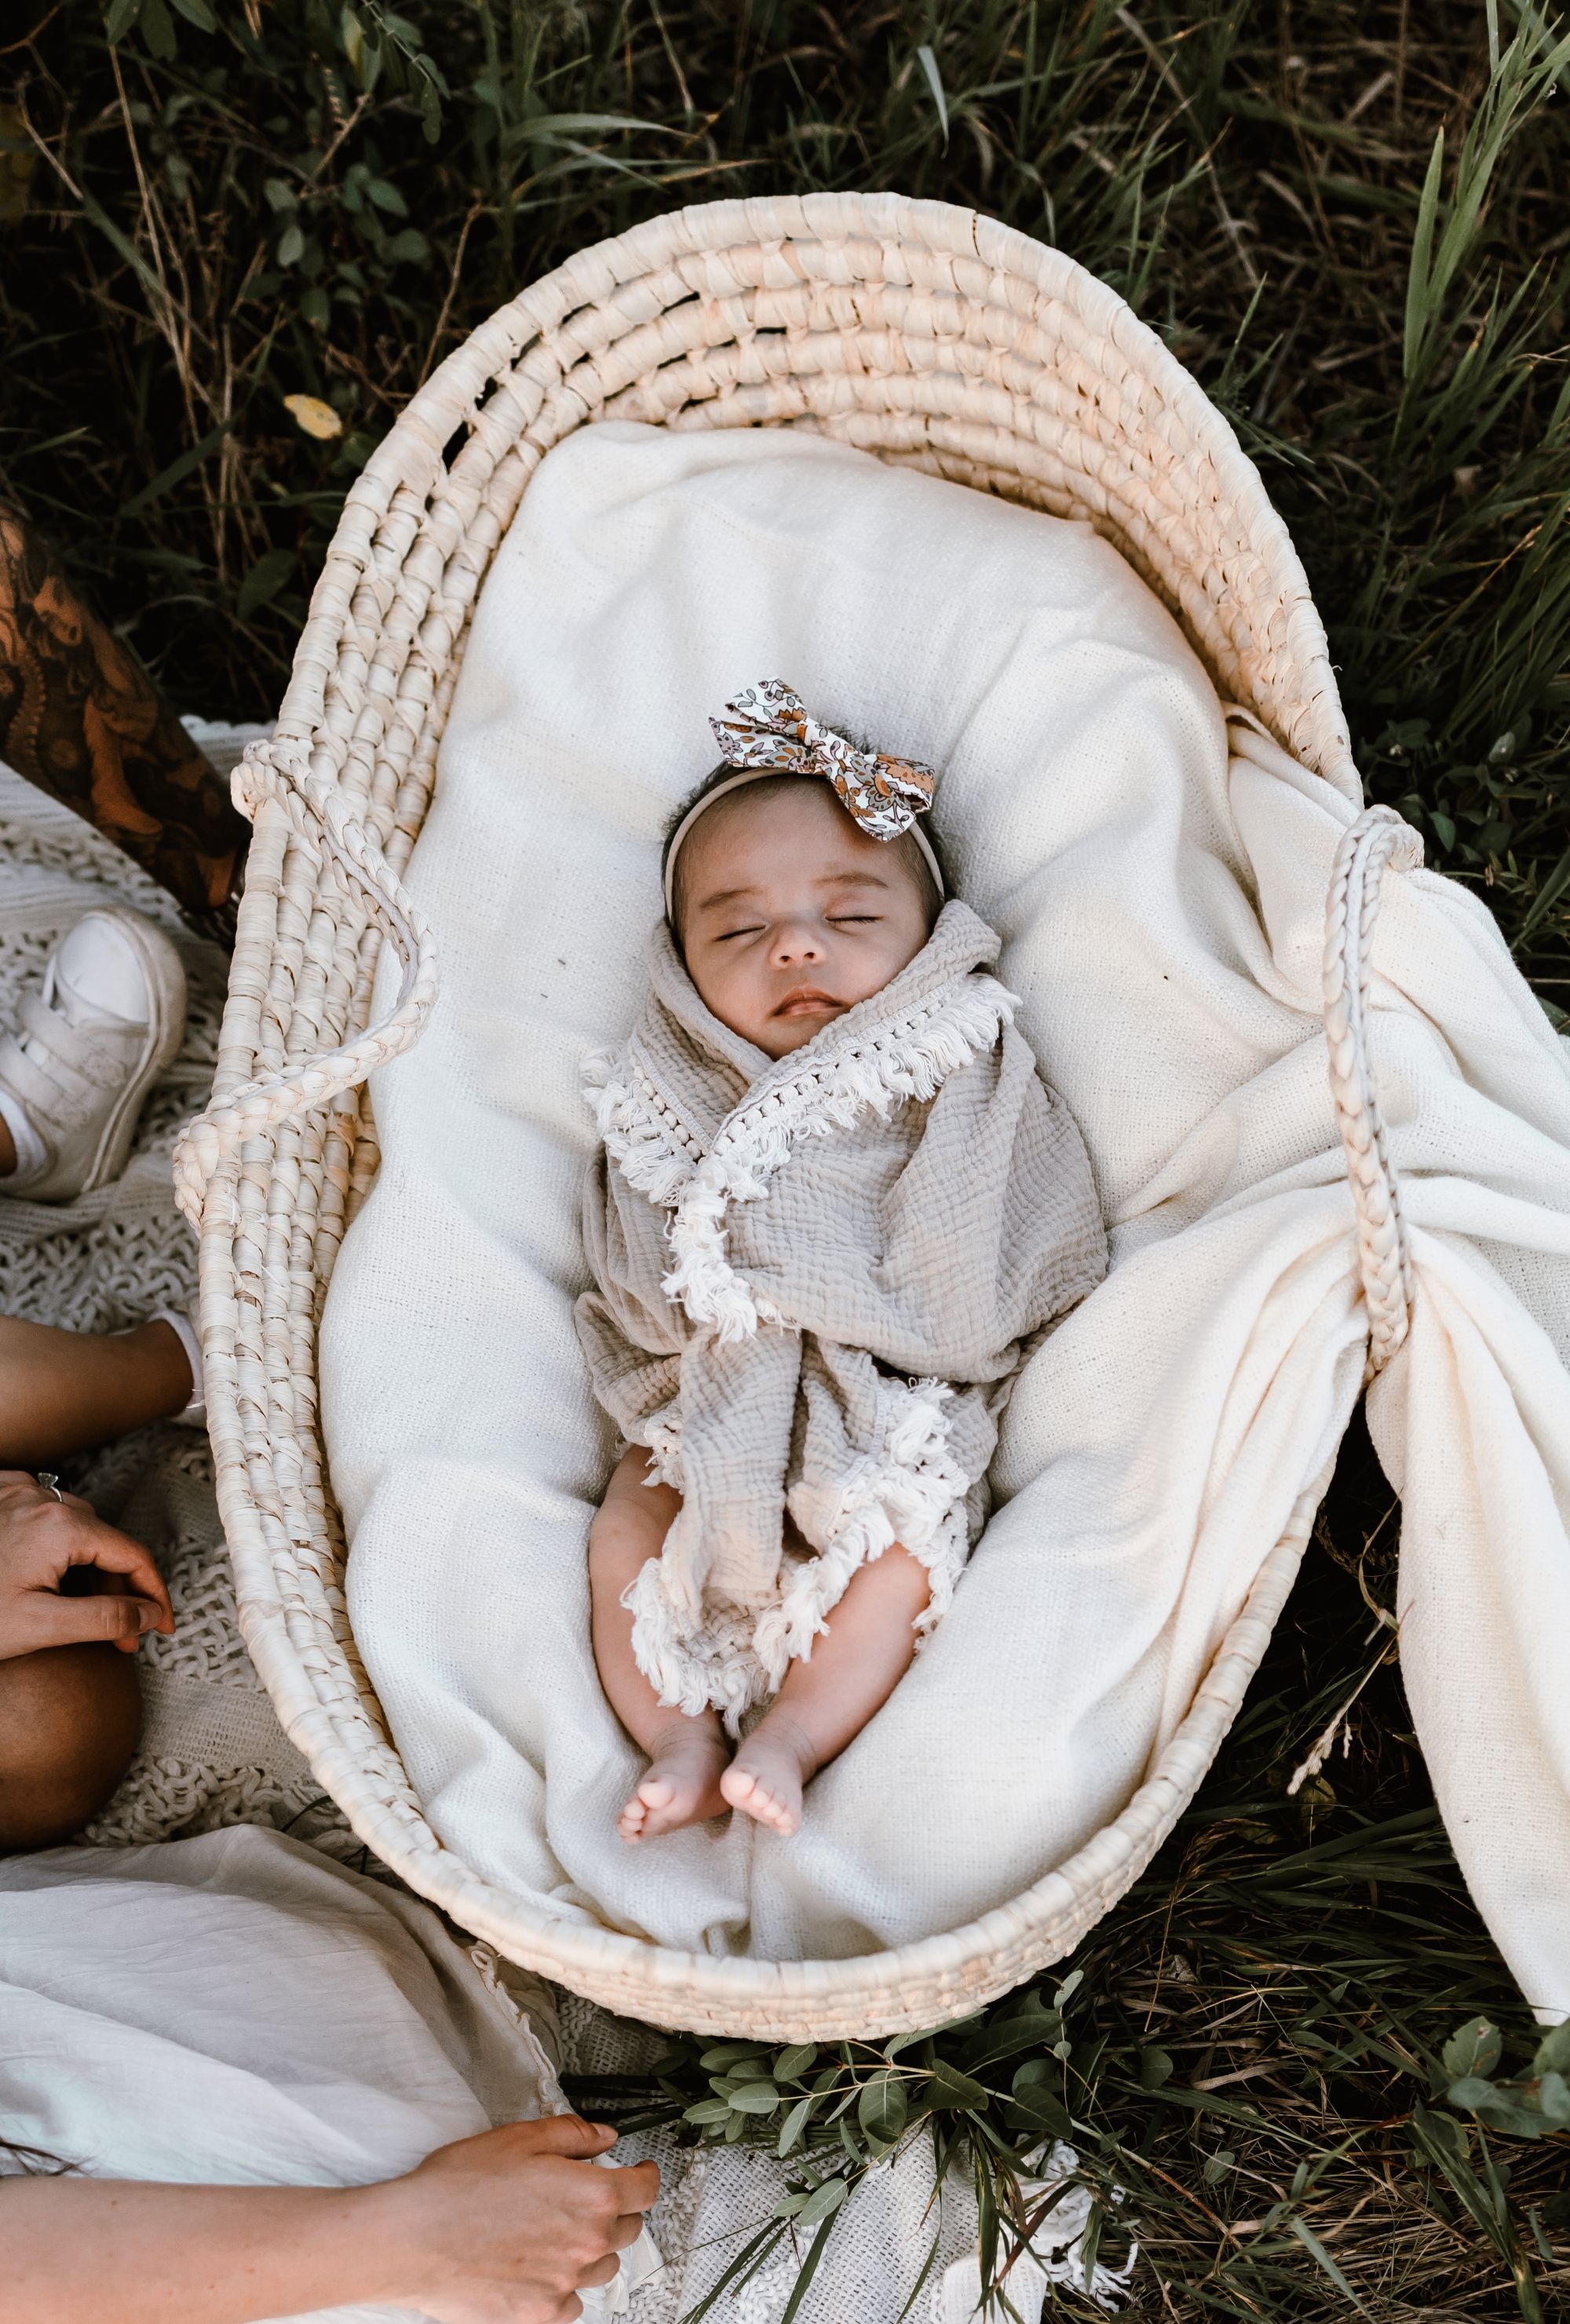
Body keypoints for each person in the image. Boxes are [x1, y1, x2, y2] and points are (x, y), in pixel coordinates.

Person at [578, 681, 1107, 1842]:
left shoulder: (955, 1053)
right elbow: (624, 1257)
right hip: (711, 1394)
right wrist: (695, 1330)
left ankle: (795, 1732)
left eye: (850, 918)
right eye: (735, 929)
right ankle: (677, 1731)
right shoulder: (669, 1085)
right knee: (628, 1522)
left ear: (923, 941)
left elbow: (1009, 1227)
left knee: (905, 1546)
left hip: (886, 1394)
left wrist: (851, 1297)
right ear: (679, 964)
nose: (796, 945)